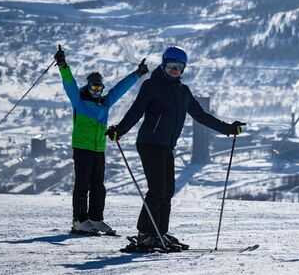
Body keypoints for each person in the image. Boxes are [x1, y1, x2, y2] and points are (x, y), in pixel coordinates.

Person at [105, 46, 245, 251]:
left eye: (179, 67)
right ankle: (144, 235)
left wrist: (228, 129)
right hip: (149, 143)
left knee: (167, 191)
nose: (174, 70)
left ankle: (160, 233)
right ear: (163, 64)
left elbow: (201, 116)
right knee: (157, 190)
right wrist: (120, 130)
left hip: (166, 146)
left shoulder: (183, 91)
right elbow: (136, 111)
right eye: (171, 65)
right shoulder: (152, 86)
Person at [54, 45, 148, 235]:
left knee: (98, 186)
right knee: (83, 185)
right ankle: (79, 221)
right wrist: (63, 64)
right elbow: (69, 83)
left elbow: (119, 89)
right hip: (82, 147)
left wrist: (137, 74)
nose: (97, 90)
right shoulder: (79, 100)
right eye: (94, 87)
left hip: (99, 148)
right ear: (88, 87)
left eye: (99, 87)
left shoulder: (105, 103)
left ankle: (96, 219)